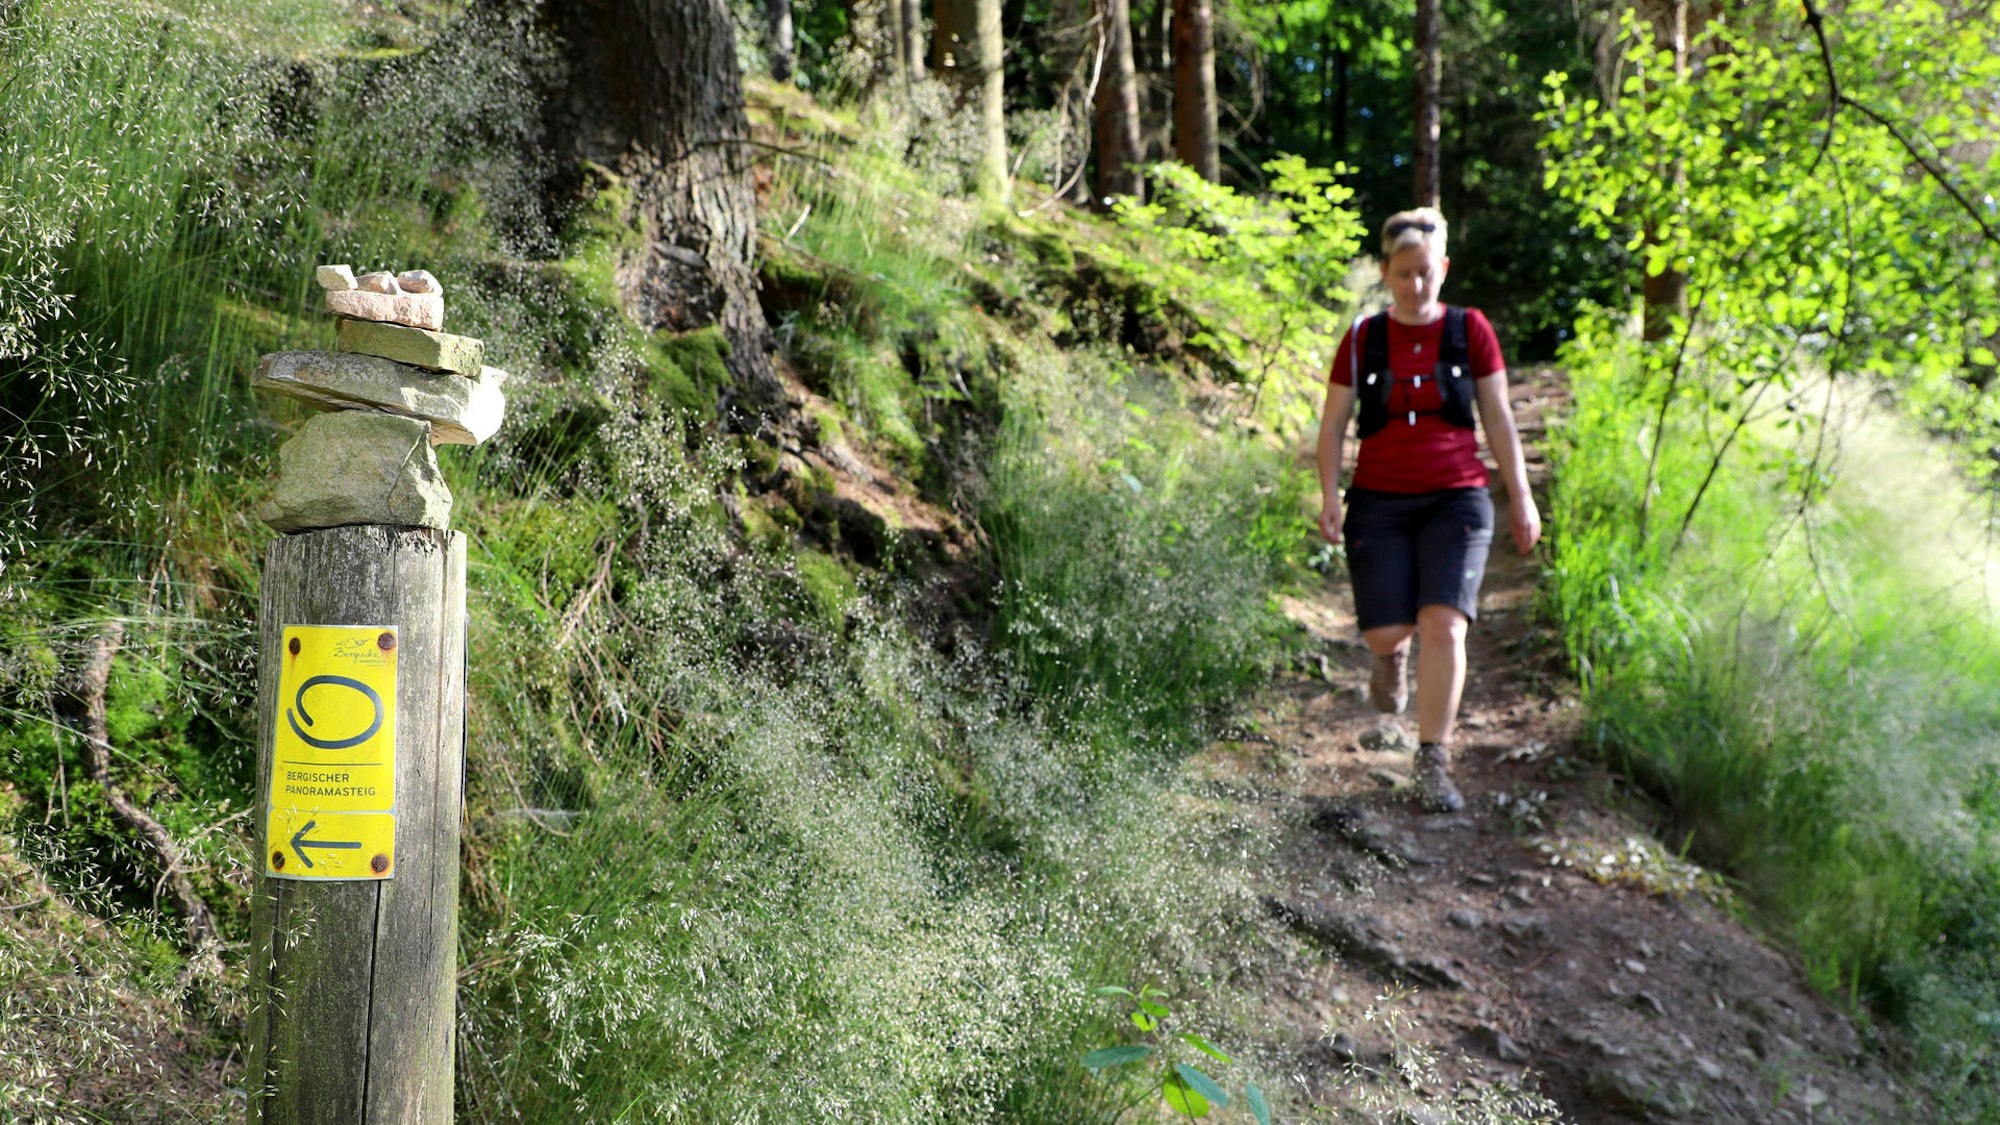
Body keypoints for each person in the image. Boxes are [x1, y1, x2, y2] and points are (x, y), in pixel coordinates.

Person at [1315, 207, 1541, 812]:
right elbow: (1334, 424)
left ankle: (1432, 758)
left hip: (1457, 497)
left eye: (1426, 273)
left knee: (1446, 621)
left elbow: (1497, 417)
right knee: (1388, 627)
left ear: (1442, 270)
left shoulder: (1471, 331)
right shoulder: (1363, 339)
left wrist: (1520, 496)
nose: (1416, 285)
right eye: (1403, 274)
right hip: (1379, 499)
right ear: (1386, 274)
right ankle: (1392, 655)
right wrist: (1329, 495)